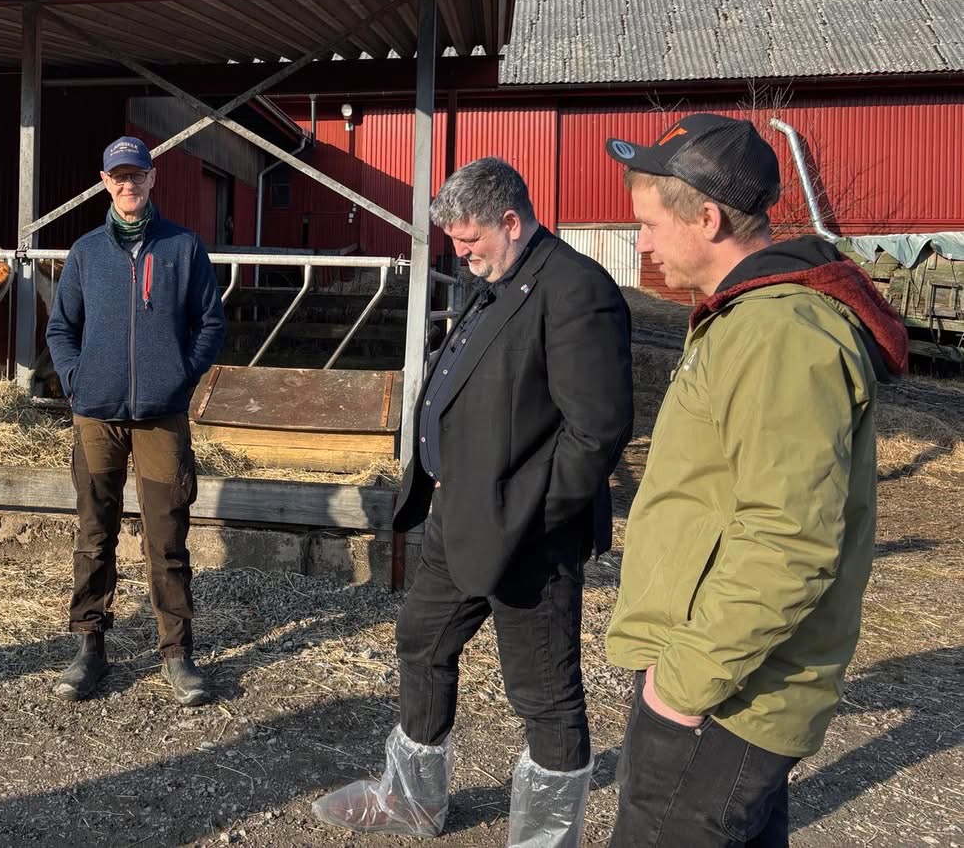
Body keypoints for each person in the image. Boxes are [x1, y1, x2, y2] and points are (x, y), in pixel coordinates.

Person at [602, 114, 908, 847]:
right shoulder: (747, 319)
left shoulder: (780, 331)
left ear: (705, 217)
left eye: (647, 223)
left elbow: (789, 540)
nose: (640, 242)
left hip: (726, 696)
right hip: (723, 682)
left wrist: (681, 685)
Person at [314, 157, 634, 843]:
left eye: (469, 240)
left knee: (543, 691)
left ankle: (545, 838)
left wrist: (525, 515)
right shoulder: (497, 278)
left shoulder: (577, 289)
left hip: (527, 535)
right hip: (458, 514)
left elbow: (596, 432)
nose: (460, 254)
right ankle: (413, 798)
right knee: (421, 639)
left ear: (511, 221)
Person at [45, 136, 225, 706]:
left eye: (137, 176)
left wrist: (179, 377)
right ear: (105, 181)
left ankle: (176, 652)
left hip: (159, 418)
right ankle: (89, 646)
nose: (129, 185)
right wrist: (77, 380)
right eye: (118, 177)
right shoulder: (86, 253)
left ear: (153, 179)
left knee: (166, 536)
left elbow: (210, 323)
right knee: (93, 532)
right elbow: (60, 328)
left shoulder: (183, 248)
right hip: (95, 415)